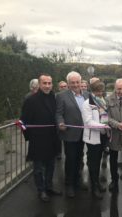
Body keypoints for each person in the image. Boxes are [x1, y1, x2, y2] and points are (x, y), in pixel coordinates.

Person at [20, 74, 62, 202]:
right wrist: (30, 137)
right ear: (39, 84)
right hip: (37, 139)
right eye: (45, 83)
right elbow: (23, 122)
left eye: (49, 83)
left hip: (52, 138)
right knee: (38, 168)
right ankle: (41, 190)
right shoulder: (31, 100)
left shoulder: (54, 98)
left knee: (51, 165)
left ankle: (49, 187)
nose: (47, 86)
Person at [56, 71, 89, 198]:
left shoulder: (87, 94)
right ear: (68, 84)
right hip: (69, 133)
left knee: (79, 158)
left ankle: (77, 181)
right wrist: (60, 123)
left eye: (77, 82)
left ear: (81, 82)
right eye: (72, 83)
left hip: (84, 133)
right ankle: (69, 184)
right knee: (70, 159)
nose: (75, 85)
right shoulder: (61, 96)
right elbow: (58, 113)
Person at [81, 80, 109, 199]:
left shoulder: (102, 101)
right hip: (93, 138)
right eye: (97, 91)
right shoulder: (87, 104)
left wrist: (107, 125)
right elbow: (88, 122)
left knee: (97, 162)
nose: (100, 93)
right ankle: (94, 187)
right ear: (92, 91)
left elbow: (105, 116)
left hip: (102, 136)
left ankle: (97, 183)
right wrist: (103, 126)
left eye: (101, 90)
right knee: (93, 163)